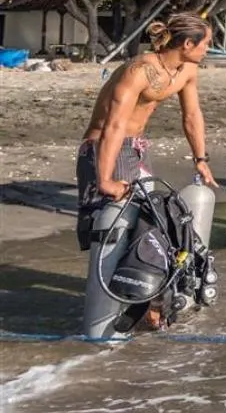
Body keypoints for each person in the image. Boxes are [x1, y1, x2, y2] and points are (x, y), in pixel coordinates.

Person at [77, 14, 218, 249]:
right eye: (206, 43)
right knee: (111, 226)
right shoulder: (139, 70)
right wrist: (105, 180)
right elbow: (114, 125)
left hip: (136, 147)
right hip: (105, 146)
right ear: (187, 44)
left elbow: (192, 115)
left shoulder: (188, 70)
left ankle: (134, 279)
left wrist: (200, 158)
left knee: (143, 217)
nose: (208, 49)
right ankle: (100, 283)